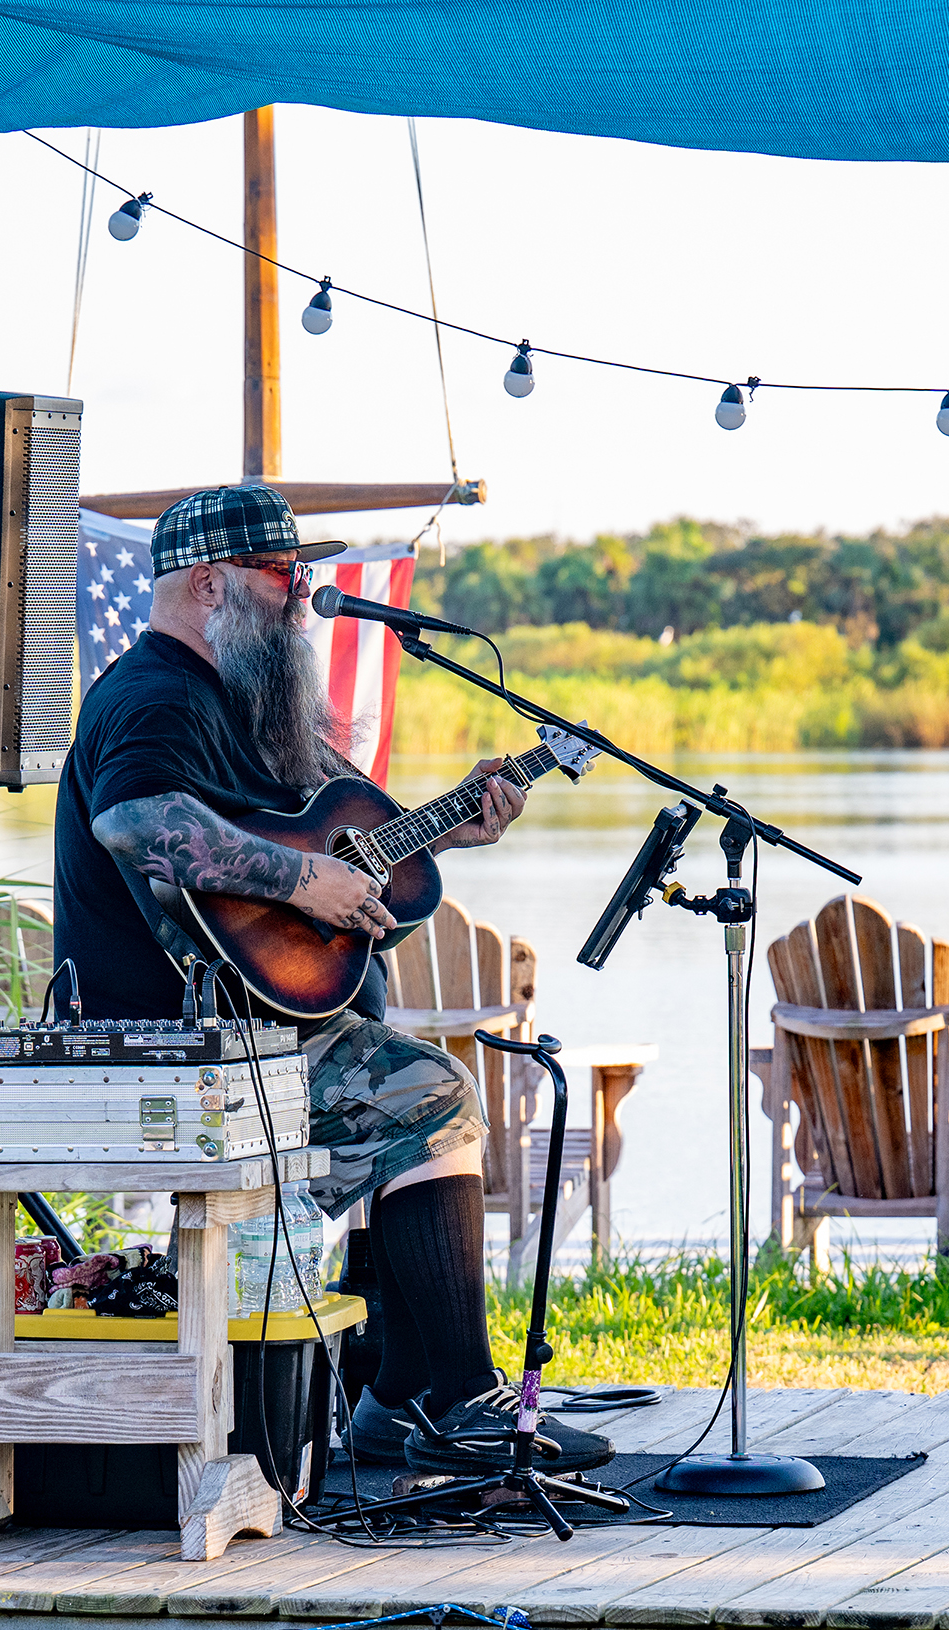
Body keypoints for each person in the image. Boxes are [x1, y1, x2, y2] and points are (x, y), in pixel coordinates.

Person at [52, 484, 612, 1476]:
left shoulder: (256, 709)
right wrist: (306, 878)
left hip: (256, 1031)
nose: (302, 591)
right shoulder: (149, 696)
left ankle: (395, 1400)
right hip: (176, 1049)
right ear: (210, 583)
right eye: (282, 574)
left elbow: (360, 842)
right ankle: (453, 1398)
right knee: (426, 1096)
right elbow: (136, 825)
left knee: (402, 1072)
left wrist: (458, 823)